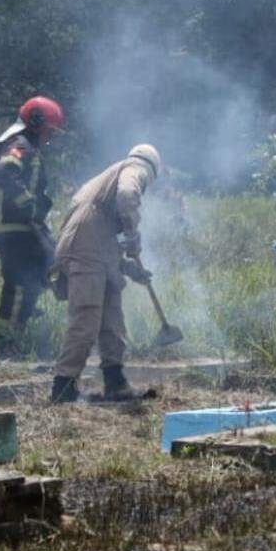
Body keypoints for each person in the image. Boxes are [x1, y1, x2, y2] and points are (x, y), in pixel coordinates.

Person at [49, 144, 161, 403]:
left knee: (112, 317)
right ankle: (63, 386)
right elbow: (126, 196)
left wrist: (131, 269)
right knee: (86, 318)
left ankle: (115, 382)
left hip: (94, 249)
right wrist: (133, 234)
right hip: (86, 249)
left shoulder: (107, 178)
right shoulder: (136, 168)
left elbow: (103, 240)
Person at [0, 96, 65, 359]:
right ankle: (5, 344)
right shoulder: (20, 147)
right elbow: (5, 173)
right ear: (36, 123)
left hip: (20, 228)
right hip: (16, 229)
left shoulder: (24, 145)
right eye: (49, 130)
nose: (49, 137)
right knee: (19, 285)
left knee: (38, 274)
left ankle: (16, 331)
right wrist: (29, 205)